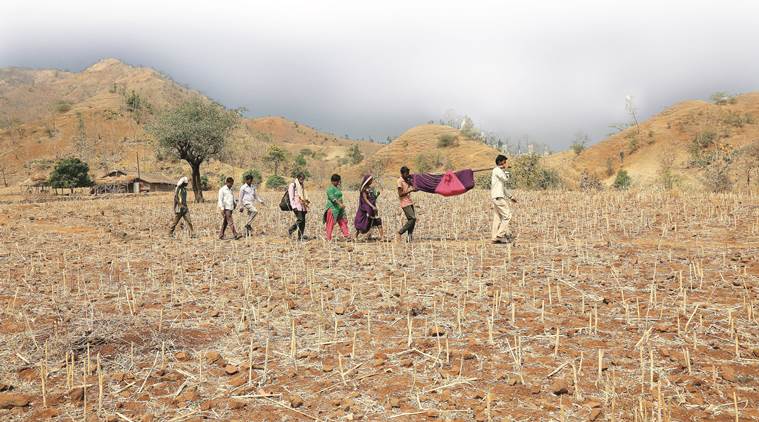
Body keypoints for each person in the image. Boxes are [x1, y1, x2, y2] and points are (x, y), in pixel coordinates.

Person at [491, 154, 517, 244]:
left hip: (496, 197)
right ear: (500, 162)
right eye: (504, 162)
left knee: (497, 217)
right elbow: (506, 179)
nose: (505, 163)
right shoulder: (497, 170)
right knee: (507, 215)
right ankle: (500, 235)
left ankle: (494, 238)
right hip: (498, 197)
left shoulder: (497, 171)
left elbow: (502, 188)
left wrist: (511, 197)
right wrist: (505, 170)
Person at [354, 175, 384, 241]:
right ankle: (355, 237)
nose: (372, 181)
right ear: (367, 181)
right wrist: (372, 206)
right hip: (366, 209)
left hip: (373, 208)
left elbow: (372, 198)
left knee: (378, 221)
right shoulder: (364, 189)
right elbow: (365, 199)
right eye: (371, 180)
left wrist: (376, 195)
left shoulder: (370, 189)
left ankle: (382, 237)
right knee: (361, 223)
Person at [324, 174, 351, 241]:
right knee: (330, 223)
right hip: (332, 209)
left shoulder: (337, 188)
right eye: (337, 181)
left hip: (339, 209)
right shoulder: (330, 189)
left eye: (339, 181)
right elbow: (332, 198)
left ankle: (347, 235)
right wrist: (340, 204)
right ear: (333, 181)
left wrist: (341, 206)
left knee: (342, 222)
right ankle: (328, 238)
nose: (339, 182)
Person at [396, 166, 417, 242]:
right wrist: (410, 190)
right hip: (404, 202)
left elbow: (412, 187)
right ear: (402, 173)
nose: (407, 175)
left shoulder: (407, 180)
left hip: (409, 201)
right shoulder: (400, 181)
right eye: (406, 173)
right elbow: (400, 194)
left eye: (408, 173)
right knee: (413, 218)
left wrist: (415, 189)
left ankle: (409, 238)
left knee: (412, 220)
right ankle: (400, 232)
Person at [287, 173, 310, 240]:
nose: (302, 180)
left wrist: (306, 201)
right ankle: (291, 229)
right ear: (298, 178)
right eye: (301, 179)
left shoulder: (301, 185)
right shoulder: (292, 185)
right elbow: (291, 197)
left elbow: (303, 195)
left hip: (303, 206)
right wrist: (293, 206)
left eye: (303, 179)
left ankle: (300, 237)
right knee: (300, 219)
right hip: (297, 206)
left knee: (303, 222)